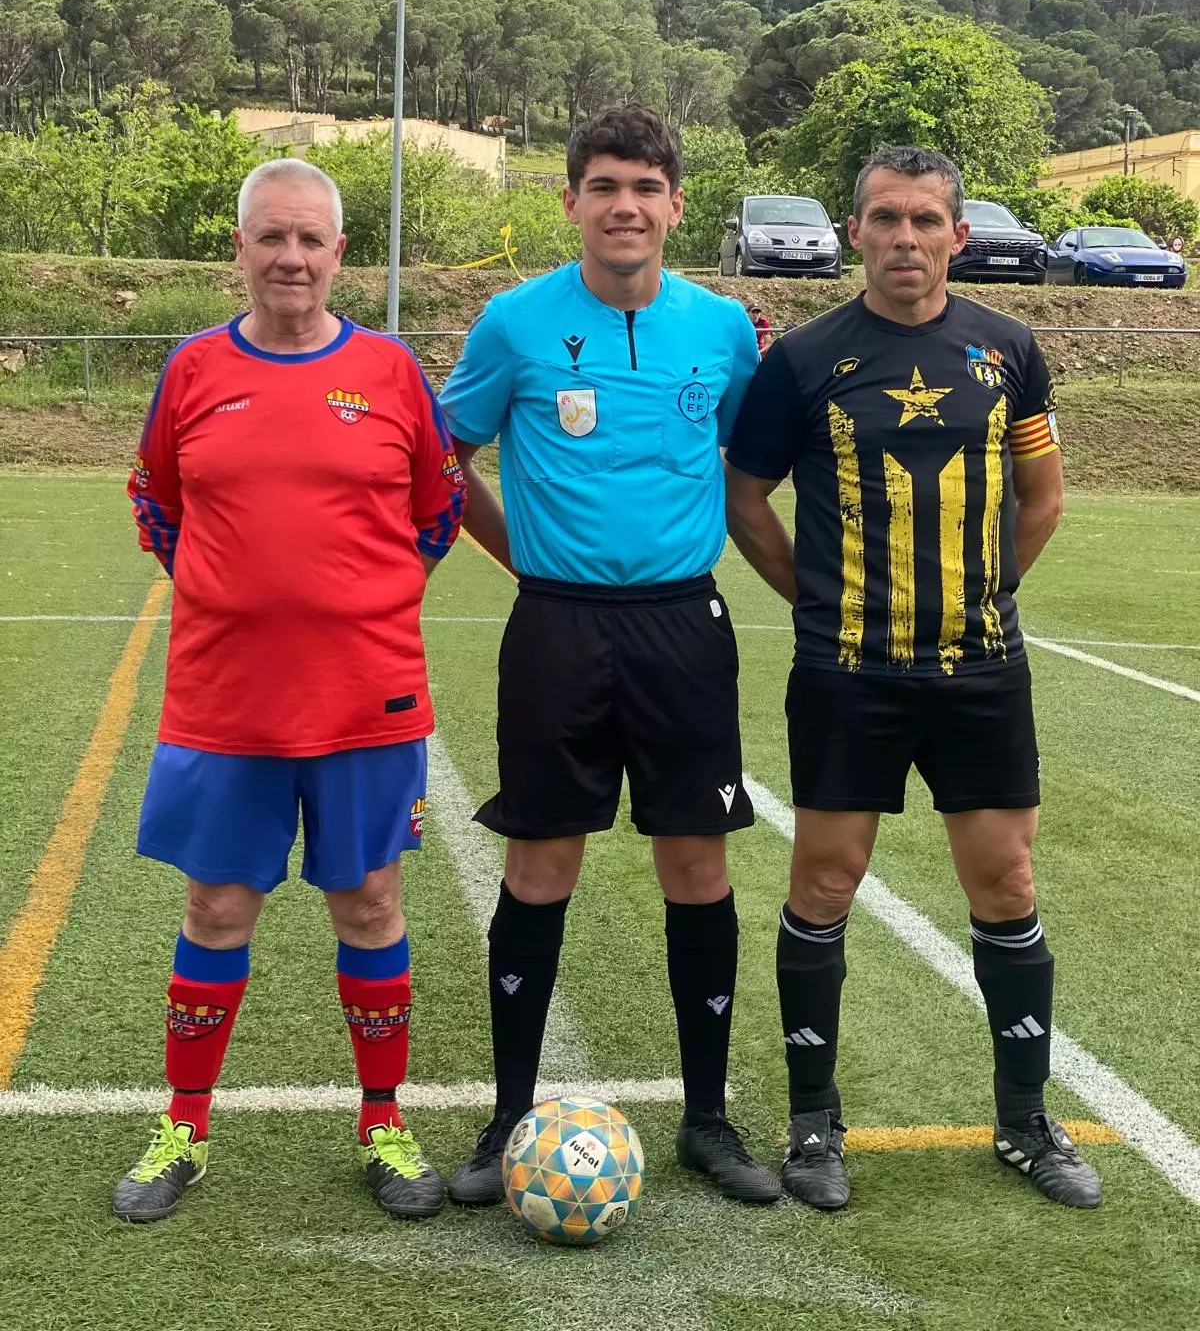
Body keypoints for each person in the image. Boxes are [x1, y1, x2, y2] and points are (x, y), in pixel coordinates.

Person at [724, 145, 1102, 1212]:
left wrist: (985, 593)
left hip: (982, 669)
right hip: (848, 670)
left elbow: (1043, 495)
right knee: (826, 884)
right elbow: (744, 498)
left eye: (925, 220)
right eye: (884, 218)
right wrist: (811, 598)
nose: (904, 238)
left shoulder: (1009, 349)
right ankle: (812, 1125)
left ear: (958, 236)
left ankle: (1025, 1120)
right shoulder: (801, 360)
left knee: (1008, 886)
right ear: (854, 233)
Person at [436, 104, 779, 1206]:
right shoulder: (513, 322)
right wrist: (521, 554)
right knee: (541, 866)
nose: (624, 205)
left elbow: (747, 460)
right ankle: (505, 1121)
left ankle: (710, 1121)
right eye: (604, 186)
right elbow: (446, 456)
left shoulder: (725, 328)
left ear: (676, 204)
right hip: (557, 627)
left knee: (698, 865)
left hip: (685, 625)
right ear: (571, 199)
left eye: (646, 186)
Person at [115, 158, 465, 1224]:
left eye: (310, 239)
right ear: (240, 248)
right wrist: (238, 598)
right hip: (227, 702)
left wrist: (362, 597)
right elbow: (156, 501)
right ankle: (185, 1123)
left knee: (369, 902)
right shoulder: (190, 371)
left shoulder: (393, 374)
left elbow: (437, 508)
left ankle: (382, 1122)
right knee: (217, 906)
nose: (291, 258)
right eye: (271, 237)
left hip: (367, 699)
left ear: (339, 253)